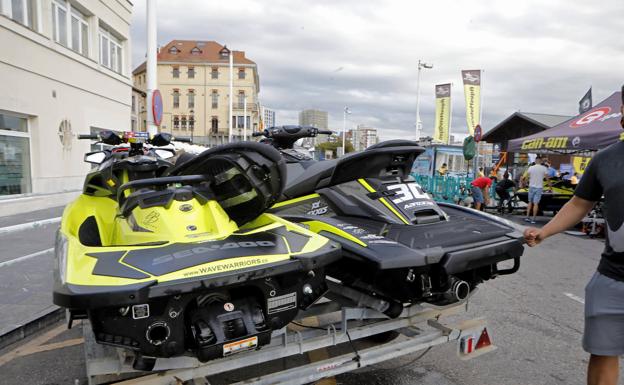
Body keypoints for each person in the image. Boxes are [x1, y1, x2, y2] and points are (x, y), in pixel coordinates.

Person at [524, 97, 624, 385]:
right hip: (613, 278)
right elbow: (580, 203)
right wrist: (544, 232)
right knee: (603, 354)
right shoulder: (605, 159)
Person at [521, 157, 548, 224]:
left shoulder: (531, 168)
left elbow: (525, 178)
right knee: (536, 203)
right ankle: (533, 219)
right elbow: (547, 178)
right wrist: (550, 187)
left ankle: (527, 217)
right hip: (539, 187)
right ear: (541, 161)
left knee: (530, 202)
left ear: (535, 161)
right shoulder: (544, 168)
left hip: (531, 187)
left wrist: (524, 185)